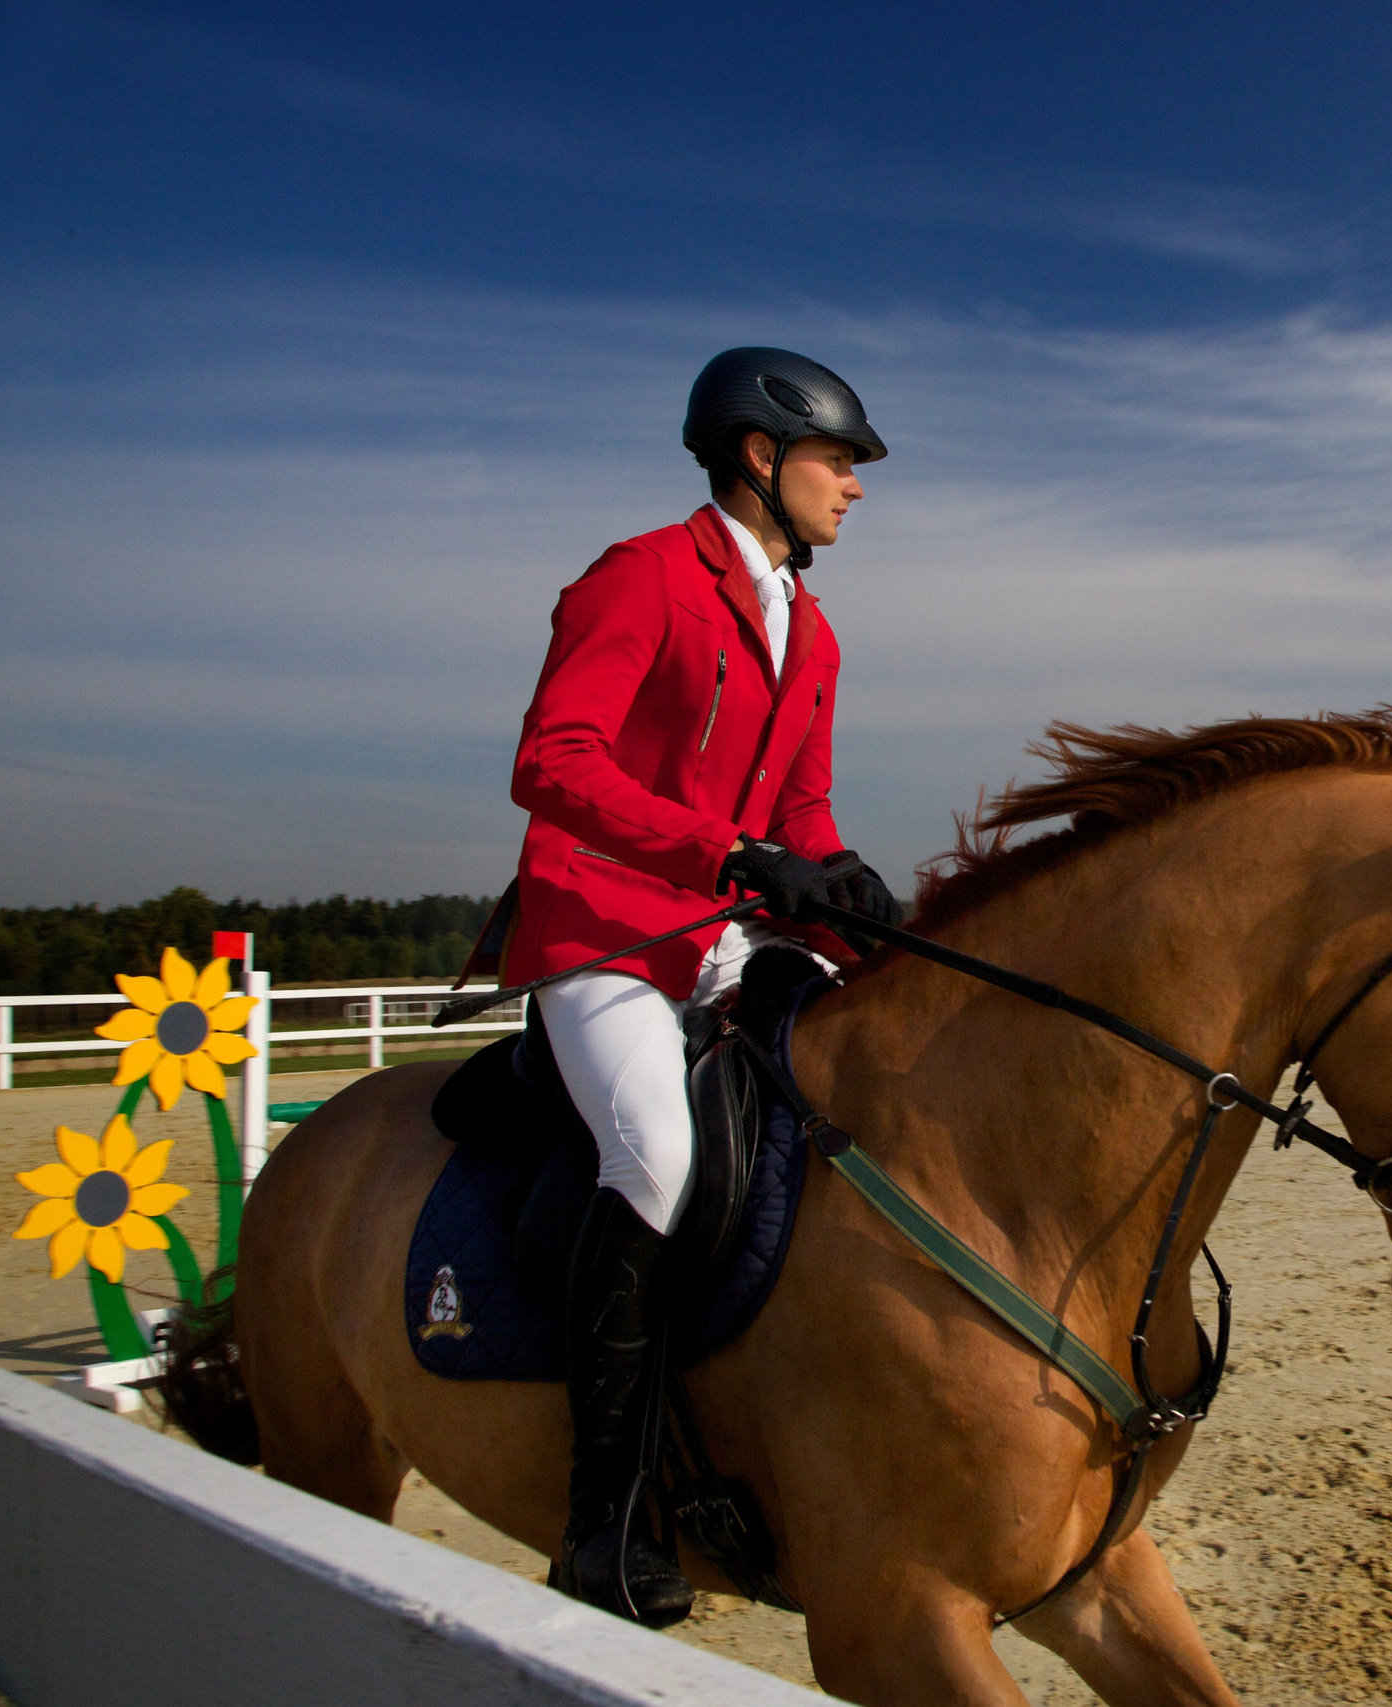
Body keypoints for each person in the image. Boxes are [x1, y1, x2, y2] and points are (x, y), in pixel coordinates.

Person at [497, 346, 905, 1621]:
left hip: (723, 928)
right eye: (839, 461)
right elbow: (552, 763)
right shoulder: (641, 577)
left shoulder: (816, 629)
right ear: (756, 456)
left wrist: (841, 887)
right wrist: (730, 853)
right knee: (658, 1158)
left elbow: (804, 805)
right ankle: (603, 1521)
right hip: (602, 929)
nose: (854, 486)